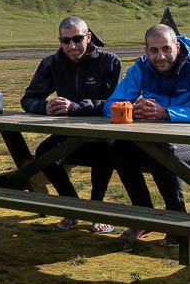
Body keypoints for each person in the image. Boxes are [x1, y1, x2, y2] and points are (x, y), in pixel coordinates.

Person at [103, 24, 190, 245]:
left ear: (177, 46)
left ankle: (178, 223)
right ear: (146, 51)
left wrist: (168, 113)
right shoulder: (141, 68)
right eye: (153, 50)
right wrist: (131, 109)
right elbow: (111, 105)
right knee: (119, 147)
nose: (160, 56)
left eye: (166, 49)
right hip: (156, 146)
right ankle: (144, 216)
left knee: (160, 153)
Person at [21, 15, 122, 233]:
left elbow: (114, 103)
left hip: (102, 131)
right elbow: (29, 99)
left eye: (77, 39)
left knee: (106, 149)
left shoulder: (109, 61)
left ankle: (96, 210)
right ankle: (72, 207)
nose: (72, 46)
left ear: (89, 36)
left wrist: (75, 107)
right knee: (45, 152)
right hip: (68, 135)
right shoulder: (51, 63)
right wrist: (45, 106)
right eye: (65, 41)